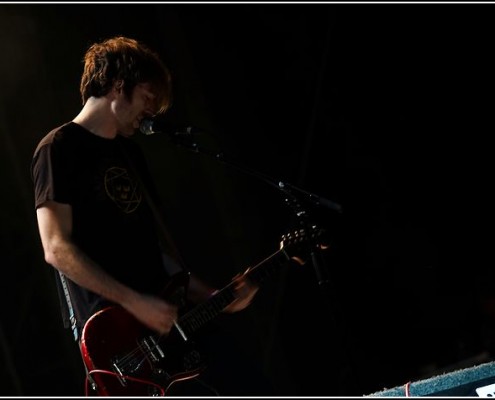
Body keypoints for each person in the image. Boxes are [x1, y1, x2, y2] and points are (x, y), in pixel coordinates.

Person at [30, 36, 259, 396]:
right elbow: (56, 248)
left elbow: (155, 252)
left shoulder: (131, 155)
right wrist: (134, 301)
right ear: (119, 85)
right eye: (148, 98)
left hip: (164, 319)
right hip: (116, 334)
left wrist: (214, 295)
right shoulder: (58, 148)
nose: (151, 112)